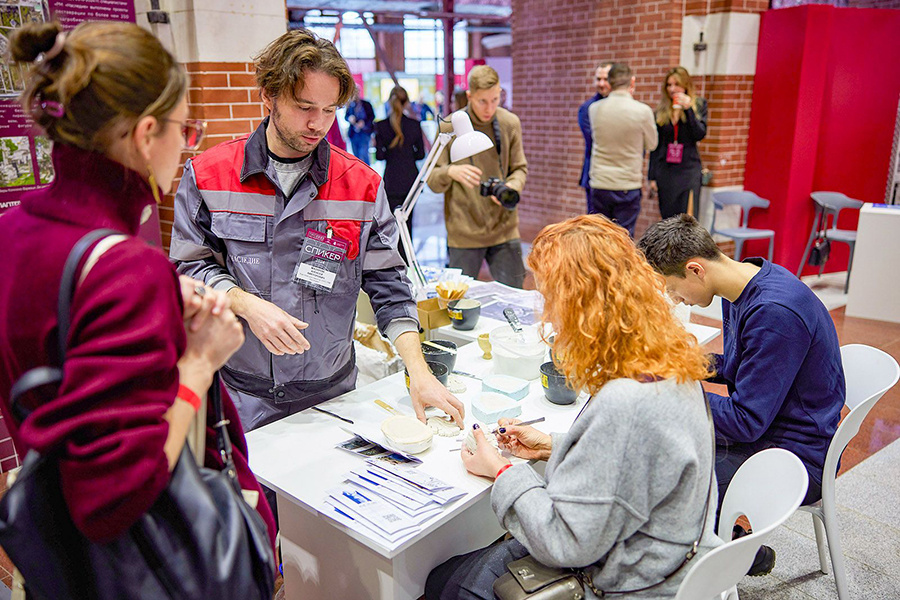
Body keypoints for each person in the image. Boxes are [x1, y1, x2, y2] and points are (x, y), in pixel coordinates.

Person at [0, 20, 275, 555]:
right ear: (148, 135)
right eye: (184, 130)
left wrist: (162, 307)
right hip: (148, 560)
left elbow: (59, 351)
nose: (187, 147)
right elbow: (108, 497)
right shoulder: (125, 266)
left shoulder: (12, 231)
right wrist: (199, 361)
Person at [170, 29, 463, 432]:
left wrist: (420, 371)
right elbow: (190, 268)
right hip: (243, 396)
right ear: (269, 96)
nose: (318, 124)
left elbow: (388, 285)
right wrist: (246, 304)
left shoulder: (360, 185)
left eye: (329, 110)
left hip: (335, 397)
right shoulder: (209, 175)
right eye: (304, 106)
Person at [426, 215, 721, 599]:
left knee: (445, 583)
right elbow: (632, 461)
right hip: (665, 557)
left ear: (581, 310)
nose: (547, 315)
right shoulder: (669, 363)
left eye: (551, 299)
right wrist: (553, 444)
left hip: (628, 582)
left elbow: (564, 542)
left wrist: (500, 472)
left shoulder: (625, 402)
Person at [638, 214, 845, 576]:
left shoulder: (773, 311)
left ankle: (726, 555)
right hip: (772, 426)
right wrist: (682, 361)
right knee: (660, 447)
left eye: (672, 288)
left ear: (695, 269)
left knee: (666, 476)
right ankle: (733, 543)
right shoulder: (742, 285)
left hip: (798, 455)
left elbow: (746, 421)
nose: (675, 299)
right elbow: (741, 367)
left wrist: (668, 395)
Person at [427, 65, 529, 288]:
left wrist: (511, 186)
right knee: (458, 303)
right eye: (483, 101)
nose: (490, 108)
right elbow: (432, 179)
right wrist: (450, 171)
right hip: (464, 231)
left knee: (516, 298)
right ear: (469, 96)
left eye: (495, 99)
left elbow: (520, 168)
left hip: (504, 227)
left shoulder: (510, 123)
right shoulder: (449, 126)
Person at [588, 62, 658, 237]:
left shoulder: (594, 109)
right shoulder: (642, 111)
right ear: (632, 82)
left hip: (600, 182)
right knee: (623, 239)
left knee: (598, 237)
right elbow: (652, 144)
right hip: (627, 183)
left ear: (610, 83)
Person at [374, 86, 426, 262]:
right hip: (410, 179)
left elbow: (380, 156)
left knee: (392, 223)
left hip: (392, 179)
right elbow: (420, 154)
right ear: (406, 103)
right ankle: (407, 259)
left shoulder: (380, 126)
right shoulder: (414, 125)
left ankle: (394, 259)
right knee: (408, 221)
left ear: (390, 101)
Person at [649, 67, 708, 219]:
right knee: (668, 219)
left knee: (688, 220)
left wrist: (688, 110)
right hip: (666, 171)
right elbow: (655, 146)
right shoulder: (661, 110)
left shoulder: (698, 105)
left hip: (688, 170)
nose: (672, 89)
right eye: (669, 85)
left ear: (686, 85)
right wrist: (652, 176)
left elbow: (699, 134)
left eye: (676, 84)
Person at [577, 61, 612, 211]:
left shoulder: (625, 107)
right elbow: (595, 141)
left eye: (606, 79)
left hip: (621, 178)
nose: (602, 83)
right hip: (596, 174)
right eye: (598, 79)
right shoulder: (587, 108)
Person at [345, 89, 375, 164]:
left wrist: (364, 123)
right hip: (353, 134)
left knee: (364, 154)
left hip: (364, 133)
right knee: (355, 156)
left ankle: (366, 173)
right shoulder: (350, 105)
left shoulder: (366, 104)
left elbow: (372, 116)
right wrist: (349, 118)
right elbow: (346, 116)